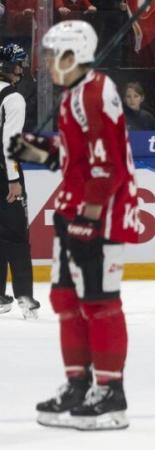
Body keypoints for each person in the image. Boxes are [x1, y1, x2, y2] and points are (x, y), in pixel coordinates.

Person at [8, 20, 138, 429]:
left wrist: (90, 216)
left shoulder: (97, 92)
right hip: (73, 207)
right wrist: (29, 148)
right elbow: (74, 156)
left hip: (100, 215)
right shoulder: (74, 95)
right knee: (65, 300)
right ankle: (78, 383)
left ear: (73, 56)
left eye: (51, 55)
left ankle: (111, 393)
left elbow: (109, 165)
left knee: (100, 302)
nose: (45, 62)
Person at [0, 43, 39, 319]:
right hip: (5, 174)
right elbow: (10, 142)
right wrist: (14, 179)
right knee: (16, 236)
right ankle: (25, 296)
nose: (21, 70)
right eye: (18, 64)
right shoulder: (13, 99)